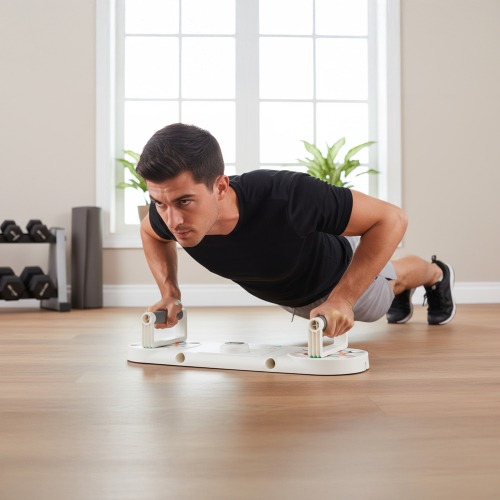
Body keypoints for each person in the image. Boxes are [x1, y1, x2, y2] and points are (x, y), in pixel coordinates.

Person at [137, 123, 456, 338]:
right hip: (292, 293)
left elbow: (392, 218)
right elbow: (150, 233)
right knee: (389, 283)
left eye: (185, 201)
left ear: (220, 187)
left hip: (338, 276)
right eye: (159, 203)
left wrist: (343, 299)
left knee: (390, 284)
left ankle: (436, 273)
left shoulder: (285, 196)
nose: (172, 221)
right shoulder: (169, 210)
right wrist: (170, 294)